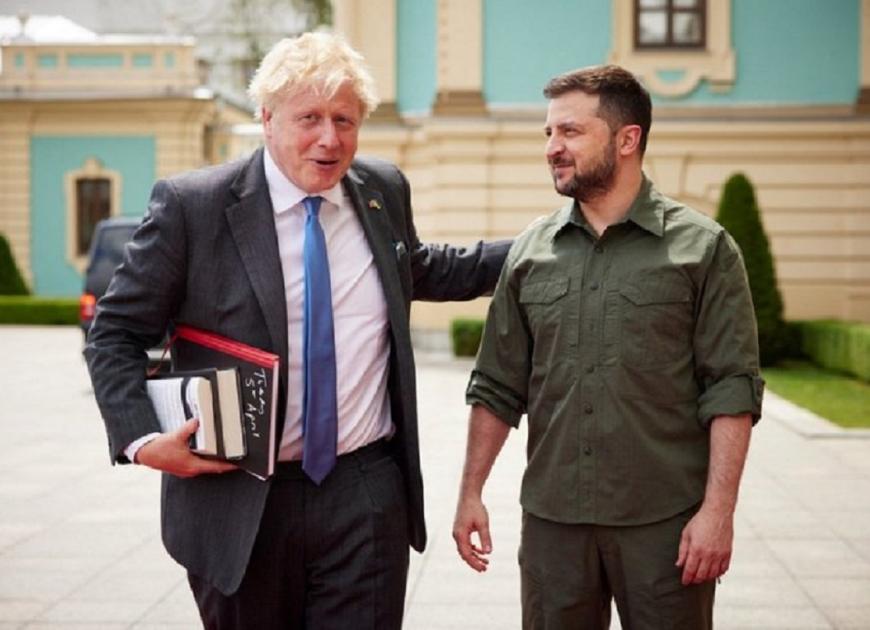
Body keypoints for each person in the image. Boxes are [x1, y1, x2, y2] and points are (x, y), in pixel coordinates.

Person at [86, 32, 509, 630]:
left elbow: (422, 268)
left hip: (364, 493)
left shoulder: (382, 189)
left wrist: (541, 246)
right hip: (238, 498)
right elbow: (116, 332)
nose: (329, 138)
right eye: (309, 118)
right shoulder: (193, 207)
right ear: (267, 118)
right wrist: (140, 439)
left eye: (344, 120)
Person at [452, 64, 763, 630]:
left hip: (665, 526)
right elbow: (497, 384)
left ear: (627, 139)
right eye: (549, 132)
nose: (552, 147)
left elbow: (731, 389)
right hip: (553, 528)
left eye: (570, 131)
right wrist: (470, 492)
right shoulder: (530, 252)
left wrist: (718, 513)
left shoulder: (704, 250)